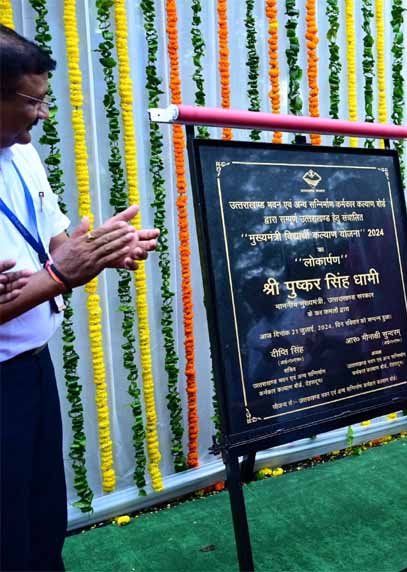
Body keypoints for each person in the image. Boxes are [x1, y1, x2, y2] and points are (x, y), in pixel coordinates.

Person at [0, 25, 160, 570]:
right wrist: (60, 276)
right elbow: (55, 269)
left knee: (42, 516)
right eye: (33, 101)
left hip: (31, 369)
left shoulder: (21, 154)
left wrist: (100, 250)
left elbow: (55, 241)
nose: (42, 114)